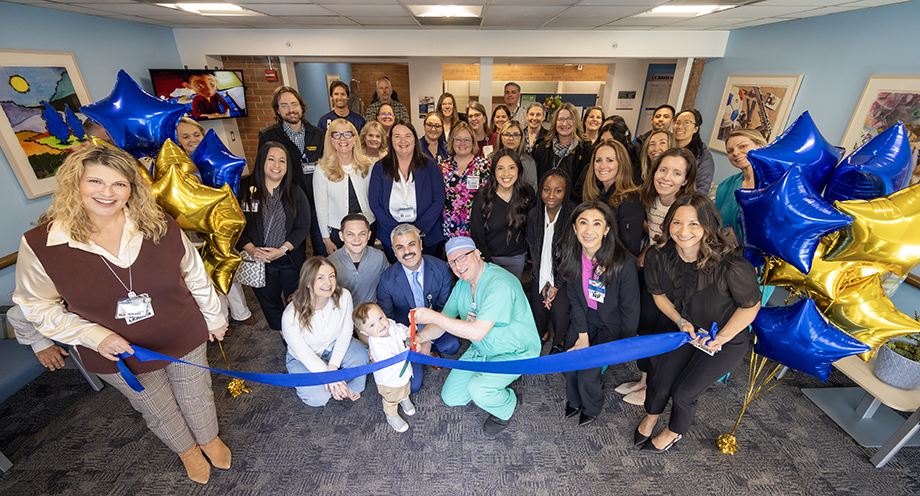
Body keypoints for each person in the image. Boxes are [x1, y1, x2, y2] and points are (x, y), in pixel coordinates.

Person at [13, 144, 230, 484]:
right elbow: (36, 305)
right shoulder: (43, 243)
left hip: (182, 331)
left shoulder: (159, 224)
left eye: (119, 184)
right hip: (118, 353)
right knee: (156, 407)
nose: (107, 192)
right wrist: (94, 336)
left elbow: (194, 274)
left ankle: (208, 439)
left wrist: (214, 317)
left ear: (132, 188)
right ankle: (187, 451)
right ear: (75, 183)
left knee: (197, 394)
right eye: (95, 182)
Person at [636, 192, 761, 453]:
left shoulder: (732, 266)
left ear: (708, 225)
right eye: (677, 222)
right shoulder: (658, 255)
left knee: (684, 392)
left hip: (724, 340)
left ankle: (673, 432)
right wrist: (680, 321)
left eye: (694, 223)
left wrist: (721, 338)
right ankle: (651, 417)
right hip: (688, 331)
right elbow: (658, 296)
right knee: (660, 377)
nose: (683, 231)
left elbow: (750, 307)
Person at [413, 236, 542, 436]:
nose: (458, 266)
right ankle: (488, 386)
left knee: (478, 388)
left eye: (463, 257)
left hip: (516, 352)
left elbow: (477, 332)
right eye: (452, 262)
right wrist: (420, 338)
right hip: (482, 349)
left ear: (477, 253)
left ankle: (506, 405)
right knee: (451, 397)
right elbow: (442, 323)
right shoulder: (462, 285)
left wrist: (432, 315)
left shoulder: (500, 283)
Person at [617, 147, 698, 406]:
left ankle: (653, 388)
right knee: (646, 328)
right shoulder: (652, 198)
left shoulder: (688, 207)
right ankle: (643, 380)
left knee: (662, 334)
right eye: (663, 170)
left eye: (676, 173)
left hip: (675, 279)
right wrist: (646, 251)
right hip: (652, 271)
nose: (667, 177)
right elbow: (654, 233)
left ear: (686, 179)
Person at [557, 201, 640, 426]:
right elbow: (575, 299)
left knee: (588, 374)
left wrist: (625, 344)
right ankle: (574, 401)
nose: (589, 230)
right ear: (574, 228)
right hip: (584, 317)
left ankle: (591, 407)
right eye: (583, 223)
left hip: (612, 323)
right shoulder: (572, 255)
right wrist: (582, 335)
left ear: (606, 229)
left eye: (596, 223)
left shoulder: (622, 262)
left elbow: (631, 308)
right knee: (568, 362)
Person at [176, 117, 256, 326]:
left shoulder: (216, 158)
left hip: (220, 224)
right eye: (185, 136)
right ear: (178, 140)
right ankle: (222, 318)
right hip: (193, 230)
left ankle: (241, 312)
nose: (193, 139)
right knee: (205, 274)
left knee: (228, 268)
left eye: (197, 134)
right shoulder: (176, 166)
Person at [376, 224, 461, 393]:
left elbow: (445, 308)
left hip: (435, 324)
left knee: (452, 345)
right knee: (413, 387)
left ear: (421, 245)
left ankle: (430, 350)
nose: (407, 251)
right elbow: (388, 319)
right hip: (406, 333)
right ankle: (421, 355)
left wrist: (427, 338)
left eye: (411, 244)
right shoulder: (387, 279)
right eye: (400, 247)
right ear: (394, 251)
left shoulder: (441, 269)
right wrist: (409, 341)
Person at [236, 142, 311, 332]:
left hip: (289, 258)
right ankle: (283, 333)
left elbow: (303, 226)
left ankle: (298, 331)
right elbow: (233, 224)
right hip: (258, 260)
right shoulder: (244, 188)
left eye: (282, 161)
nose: (276, 165)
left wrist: (283, 250)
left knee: (297, 298)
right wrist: (251, 249)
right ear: (262, 161)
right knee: (269, 302)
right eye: (271, 159)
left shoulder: (295, 190)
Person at [282, 257, 369, 407]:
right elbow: (305, 355)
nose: (328, 282)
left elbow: (345, 334)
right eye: (320, 278)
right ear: (307, 282)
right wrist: (331, 376)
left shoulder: (344, 296)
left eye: (331, 276)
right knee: (317, 398)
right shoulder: (290, 315)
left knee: (362, 356)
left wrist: (333, 366)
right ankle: (335, 383)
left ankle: (344, 386)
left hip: (333, 345)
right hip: (303, 357)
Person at [258, 86, 325, 256]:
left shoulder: (318, 134)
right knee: (293, 249)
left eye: (294, 104)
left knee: (321, 246)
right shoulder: (268, 136)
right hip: (287, 201)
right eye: (284, 105)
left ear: (302, 107)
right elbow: (262, 169)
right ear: (277, 110)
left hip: (316, 200)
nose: (291, 110)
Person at [368, 120, 446, 260]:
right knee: (397, 271)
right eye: (397, 136)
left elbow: (438, 200)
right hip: (391, 236)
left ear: (415, 140)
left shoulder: (430, 166)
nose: (403, 140)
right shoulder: (380, 167)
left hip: (426, 235)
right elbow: (375, 203)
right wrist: (397, 231)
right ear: (391, 140)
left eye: (408, 136)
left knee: (430, 270)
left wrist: (418, 228)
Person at [526, 169, 574, 355]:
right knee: (538, 309)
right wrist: (543, 279)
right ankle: (543, 333)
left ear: (566, 192)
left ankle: (559, 340)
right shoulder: (534, 214)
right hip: (541, 271)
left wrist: (556, 284)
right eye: (546, 190)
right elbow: (534, 250)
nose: (551, 195)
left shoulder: (572, 214)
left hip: (565, 275)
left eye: (558, 190)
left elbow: (571, 256)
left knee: (560, 312)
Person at [314, 119, 376, 254]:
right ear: (331, 140)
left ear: (354, 139)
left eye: (347, 134)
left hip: (366, 227)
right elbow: (321, 207)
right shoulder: (322, 169)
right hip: (338, 232)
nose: (342, 138)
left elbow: (373, 197)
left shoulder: (366, 164)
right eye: (336, 134)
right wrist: (326, 239)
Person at [353, 302, 416, 432]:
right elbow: (395, 363)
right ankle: (391, 416)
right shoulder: (378, 346)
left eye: (381, 317)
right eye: (372, 325)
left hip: (404, 371)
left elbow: (398, 328)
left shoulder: (389, 325)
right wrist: (409, 350)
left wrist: (407, 332)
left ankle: (404, 398)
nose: (380, 324)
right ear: (364, 332)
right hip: (389, 381)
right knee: (391, 399)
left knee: (406, 386)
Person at [470, 149, 534, 279]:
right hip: (488, 259)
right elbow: (477, 235)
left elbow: (533, 227)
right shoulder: (482, 197)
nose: (506, 173)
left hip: (516, 258)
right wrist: (487, 262)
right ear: (493, 171)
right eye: (500, 168)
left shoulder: (527, 193)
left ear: (519, 170)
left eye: (511, 167)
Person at [579, 140, 645, 257]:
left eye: (610, 160)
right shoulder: (597, 194)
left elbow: (629, 249)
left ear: (621, 163)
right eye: (598, 160)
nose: (602, 165)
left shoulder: (630, 199)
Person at [716, 128, 768, 244]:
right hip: (730, 252)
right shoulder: (725, 186)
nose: (735, 153)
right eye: (730, 151)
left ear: (760, 147)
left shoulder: (775, 184)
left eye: (742, 146)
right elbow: (717, 224)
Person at [440, 121, 491, 239]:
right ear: (452, 141)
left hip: (477, 228)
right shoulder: (443, 167)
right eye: (458, 139)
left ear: (473, 142)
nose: (462, 143)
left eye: (467, 140)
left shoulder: (485, 166)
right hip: (449, 229)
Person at [327, 213, 389, 309]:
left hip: (370, 314)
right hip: (342, 313)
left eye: (362, 234)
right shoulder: (330, 263)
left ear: (369, 235)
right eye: (350, 234)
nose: (357, 239)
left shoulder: (379, 257)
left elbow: (391, 284)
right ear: (341, 236)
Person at [532, 102, 593, 188]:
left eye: (570, 118)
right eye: (561, 119)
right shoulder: (543, 146)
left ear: (576, 122)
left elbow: (585, 183)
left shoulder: (586, 149)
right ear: (555, 122)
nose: (564, 123)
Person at [673, 109, 714, 195]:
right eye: (677, 122)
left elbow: (701, 189)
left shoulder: (703, 156)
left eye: (686, 123)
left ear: (695, 129)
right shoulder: (666, 148)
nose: (680, 127)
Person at [596, 119, 641, 185]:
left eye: (610, 141)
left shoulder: (634, 171)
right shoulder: (593, 167)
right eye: (602, 141)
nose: (604, 145)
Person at [496, 120, 537, 190]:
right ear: (501, 137)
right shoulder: (491, 159)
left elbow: (532, 190)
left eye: (516, 135)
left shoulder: (528, 162)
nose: (511, 138)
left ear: (521, 138)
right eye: (507, 135)